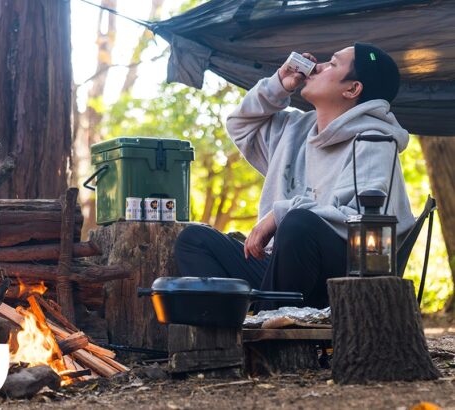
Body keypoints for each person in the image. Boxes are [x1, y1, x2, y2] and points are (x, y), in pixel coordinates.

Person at [173, 43, 416, 309]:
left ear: (352, 89)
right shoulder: (295, 129)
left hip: (339, 279)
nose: (317, 66)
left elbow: (362, 224)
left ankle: (269, 332)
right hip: (279, 269)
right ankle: (235, 332)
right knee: (194, 240)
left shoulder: (375, 142)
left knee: (298, 224)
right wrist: (279, 84)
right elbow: (240, 125)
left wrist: (280, 214)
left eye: (332, 64)